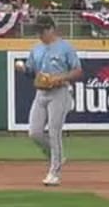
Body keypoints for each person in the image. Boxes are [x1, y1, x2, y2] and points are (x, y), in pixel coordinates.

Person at [14, 14, 83, 187]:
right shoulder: (36, 49)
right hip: (41, 93)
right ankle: (55, 155)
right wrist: (23, 68)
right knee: (34, 133)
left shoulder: (65, 47)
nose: (39, 34)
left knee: (54, 132)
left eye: (42, 30)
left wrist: (58, 78)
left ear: (51, 28)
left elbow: (77, 71)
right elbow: (32, 71)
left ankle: (55, 173)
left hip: (59, 92)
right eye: (37, 31)